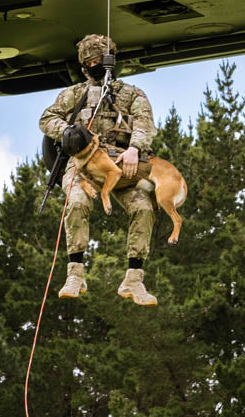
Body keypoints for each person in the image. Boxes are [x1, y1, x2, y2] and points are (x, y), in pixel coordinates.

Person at [39, 34, 160, 306]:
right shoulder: (75, 94)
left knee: (143, 208)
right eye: (90, 61)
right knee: (77, 203)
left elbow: (145, 124)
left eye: (100, 60)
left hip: (121, 161)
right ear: (83, 66)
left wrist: (134, 149)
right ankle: (75, 273)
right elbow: (47, 118)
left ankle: (134, 278)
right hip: (83, 164)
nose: (95, 65)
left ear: (111, 61)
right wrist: (69, 132)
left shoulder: (131, 94)